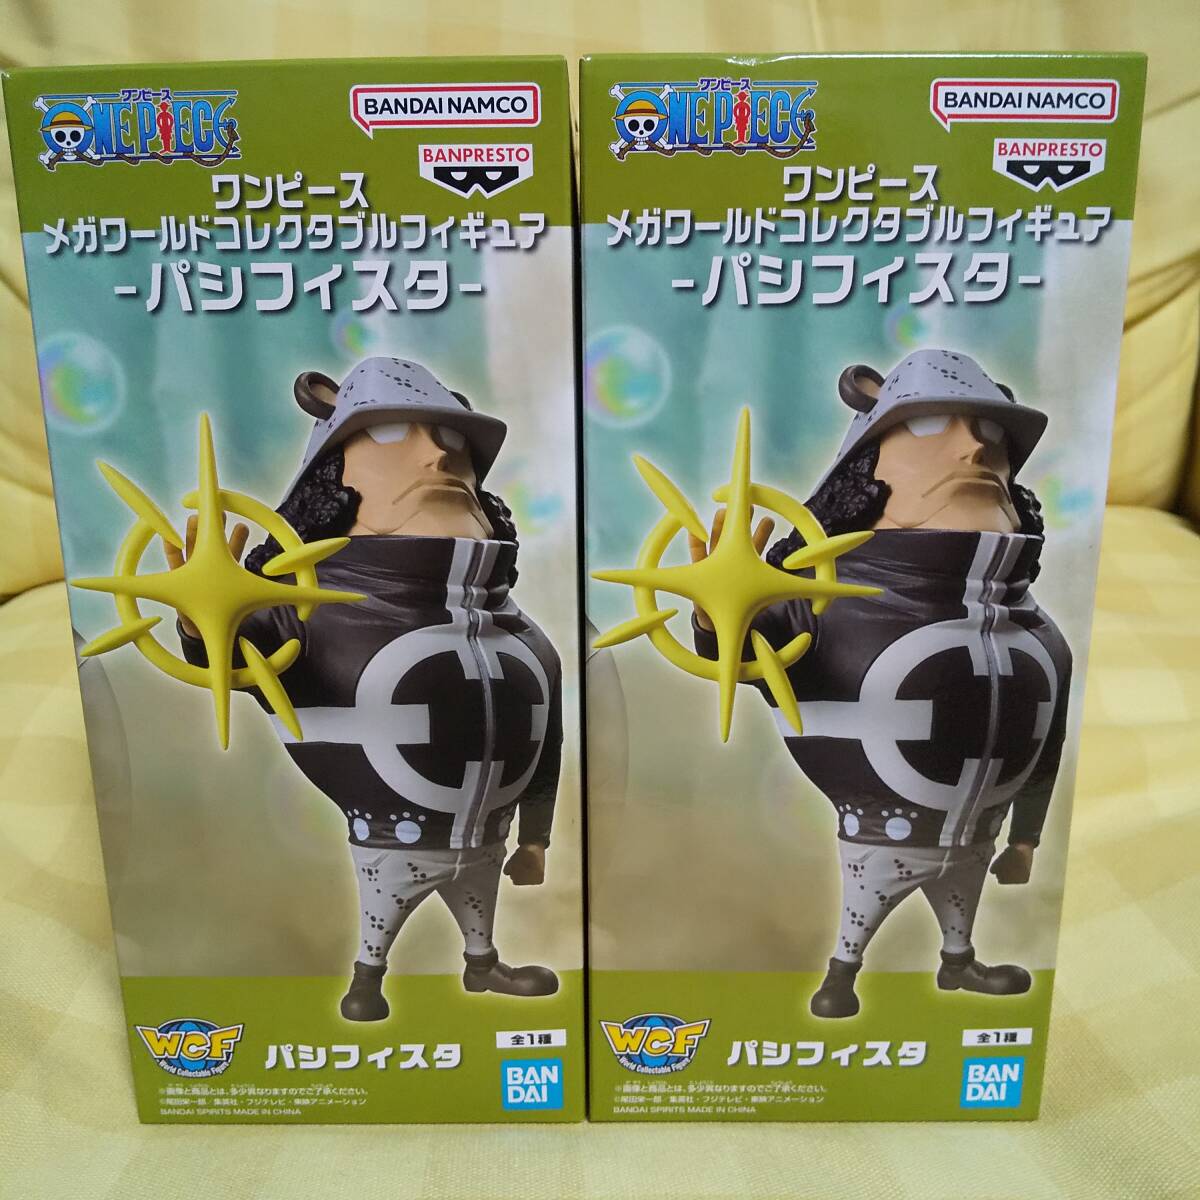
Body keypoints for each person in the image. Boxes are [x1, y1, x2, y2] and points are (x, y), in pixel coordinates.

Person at [169, 357, 562, 1020]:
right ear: (328, 485)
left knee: (478, 906)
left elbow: (546, 738)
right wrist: (202, 613)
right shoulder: (304, 613)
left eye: (454, 440)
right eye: (389, 434)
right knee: (383, 913)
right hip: (387, 838)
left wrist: (535, 837)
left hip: (487, 835)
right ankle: (367, 977)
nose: (439, 455)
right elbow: (231, 655)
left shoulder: (522, 633)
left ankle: (482, 963)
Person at [691, 349, 1072, 1018]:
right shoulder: (820, 601)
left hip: (978, 830)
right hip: (876, 830)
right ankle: (842, 974)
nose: (975, 449)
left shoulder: (1040, 634)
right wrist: (717, 607)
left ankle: (958, 962)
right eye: (927, 426)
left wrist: (1025, 839)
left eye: (992, 434)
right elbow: (741, 651)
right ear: (860, 475)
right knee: (863, 910)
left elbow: (1047, 744)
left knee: (961, 901)